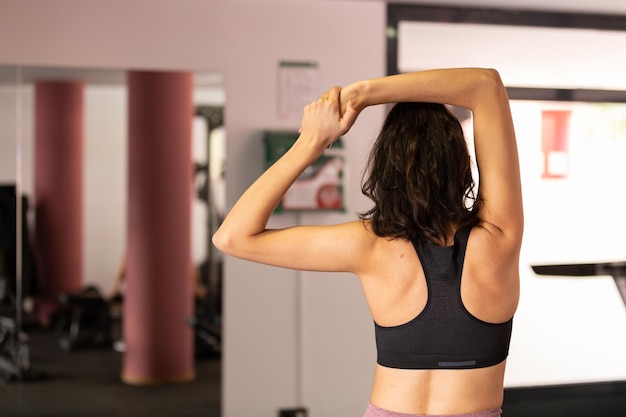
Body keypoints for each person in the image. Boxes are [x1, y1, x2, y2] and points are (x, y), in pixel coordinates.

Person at [213, 68, 523, 417]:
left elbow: (232, 237)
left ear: (385, 166)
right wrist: (362, 94)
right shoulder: (499, 236)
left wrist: (310, 143)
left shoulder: (369, 244)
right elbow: (485, 86)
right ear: (462, 162)